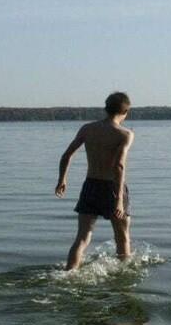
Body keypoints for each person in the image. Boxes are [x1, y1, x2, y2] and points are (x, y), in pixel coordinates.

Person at [55, 92, 134, 270]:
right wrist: (119, 200)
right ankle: (124, 274)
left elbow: (66, 155)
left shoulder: (87, 129)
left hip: (91, 185)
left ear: (105, 109)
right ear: (126, 112)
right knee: (122, 237)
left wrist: (62, 180)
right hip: (113, 187)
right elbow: (119, 166)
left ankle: (69, 272)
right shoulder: (125, 134)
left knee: (82, 237)